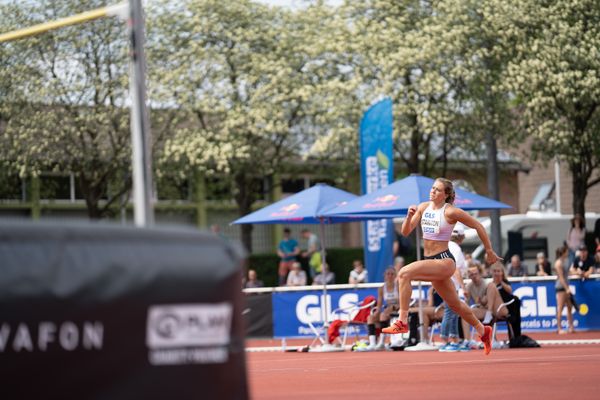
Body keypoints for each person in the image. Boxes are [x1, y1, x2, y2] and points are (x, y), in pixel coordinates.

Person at [382, 178, 501, 355]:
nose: (432, 192)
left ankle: (402, 321)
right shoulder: (423, 207)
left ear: (446, 195)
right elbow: (406, 232)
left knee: (404, 273)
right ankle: (483, 331)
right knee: (455, 305)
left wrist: (489, 250)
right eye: (432, 188)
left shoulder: (451, 212)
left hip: (444, 261)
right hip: (432, 262)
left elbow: (477, 225)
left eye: (437, 190)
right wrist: (408, 217)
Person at [364, 268, 398, 350]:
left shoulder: (399, 286)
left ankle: (382, 342)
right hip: (387, 309)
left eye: (392, 274)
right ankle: (372, 343)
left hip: (397, 309)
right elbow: (379, 305)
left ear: (395, 276)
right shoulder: (382, 288)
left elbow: (403, 302)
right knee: (370, 317)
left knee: (383, 315)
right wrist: (376, 313)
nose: (390, 276)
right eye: (388, 274)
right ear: (384, 276)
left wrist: (393, 307)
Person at [490, 262, 522, 338]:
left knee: (515, 300)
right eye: (495, 271)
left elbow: (509, 290)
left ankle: (515, 337)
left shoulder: (505, 282)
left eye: (498, 271)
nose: (496, 273)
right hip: (496, 308)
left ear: (502, 273)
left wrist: (501, 282)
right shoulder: (491, 285)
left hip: (508, 308)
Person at [554, 245, 575, 334]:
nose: (568, 253)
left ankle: (571, 327)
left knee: (569, 306)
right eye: (566, 251)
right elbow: (561, 278)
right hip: (561, 287)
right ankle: (559, 328)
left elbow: (568, 272)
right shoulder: (558, 263)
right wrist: (567, 289)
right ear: (563, 253)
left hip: (566, 286)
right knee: (561, 307)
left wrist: (577, 272)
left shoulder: (566, 261)